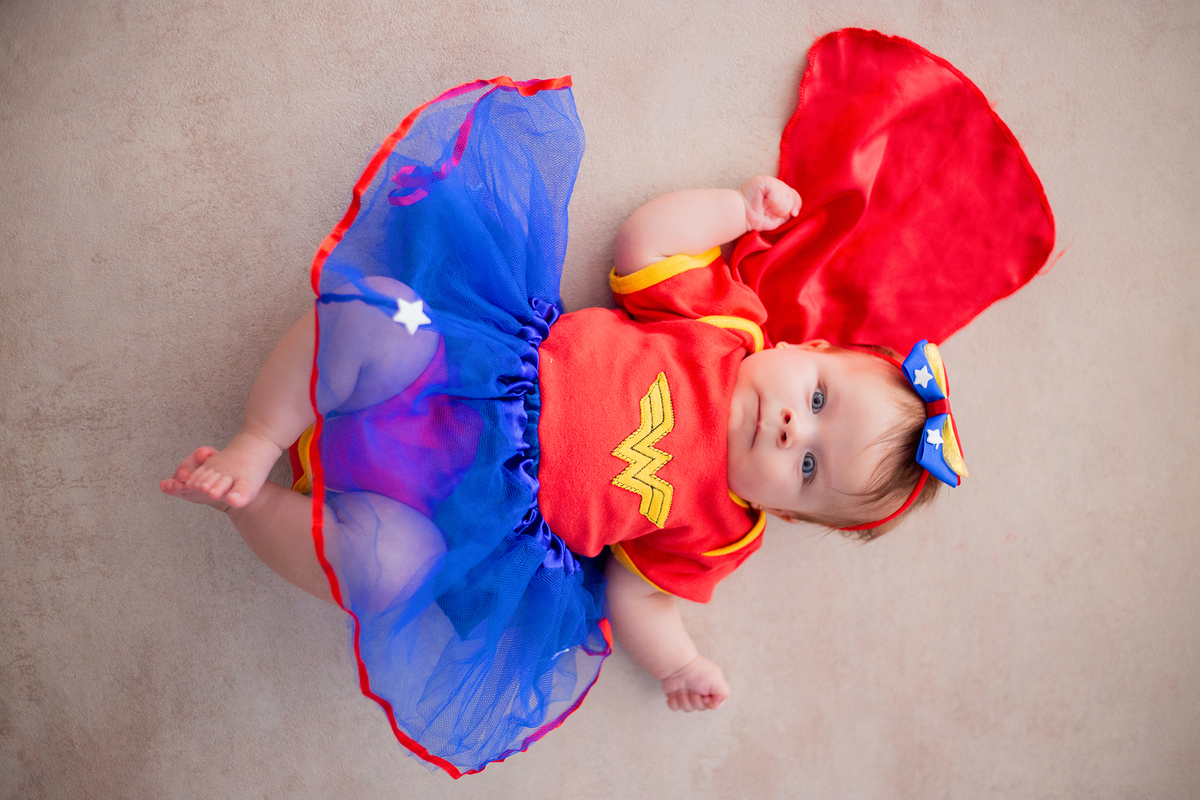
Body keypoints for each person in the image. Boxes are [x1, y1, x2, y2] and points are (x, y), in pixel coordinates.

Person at [159, 69, 976, 776]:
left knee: (385, 571)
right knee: (385, 313)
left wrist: (680, 664)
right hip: (471, 376)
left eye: (808, 468)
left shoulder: (722, 531)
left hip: (470, 519)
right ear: (810, 346)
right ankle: (260, 437)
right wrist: (733, 209)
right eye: (821, 397)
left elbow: (640, 601)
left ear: (788, 511)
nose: (795, 428)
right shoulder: (728, 327)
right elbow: (642, 246)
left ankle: (254, 508)